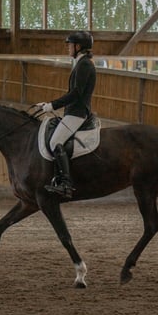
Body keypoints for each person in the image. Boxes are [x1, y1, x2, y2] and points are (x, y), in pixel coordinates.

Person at [35, 31, 97, 199]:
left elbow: (76, 93)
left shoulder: (84, 65)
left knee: (56, 141)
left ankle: (66, 184)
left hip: (77, 113)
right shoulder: (80, 63)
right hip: (73, 111)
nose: (68, 48)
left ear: (78, 47)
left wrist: (51, 105)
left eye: (70, 45)